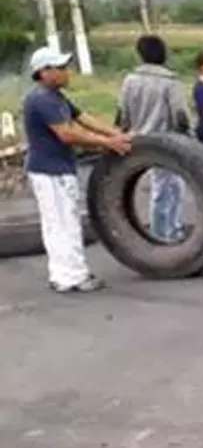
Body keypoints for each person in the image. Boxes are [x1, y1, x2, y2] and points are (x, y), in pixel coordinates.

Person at [22, 46, 131, 293]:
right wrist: (107, 143)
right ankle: (68, 276)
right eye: (59, 68)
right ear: (44, 72)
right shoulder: (40, 99)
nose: (65, 72)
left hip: (60, 168)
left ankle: (71, 272)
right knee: (60, 223)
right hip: (49, 171)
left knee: (66, 221)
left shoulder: (56, 96)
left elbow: (83, 118)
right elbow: (67, 133)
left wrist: (116, 134)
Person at [116, 34, 192, 241]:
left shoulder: (129, 80)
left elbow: (122, 112)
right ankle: (163, 233)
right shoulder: (170, 81)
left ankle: (170, 228)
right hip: (164, 141)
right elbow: (180, 115)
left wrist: (120, 135)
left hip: (137, 138)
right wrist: (189, 140)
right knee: (167, 188)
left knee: (169, 187)